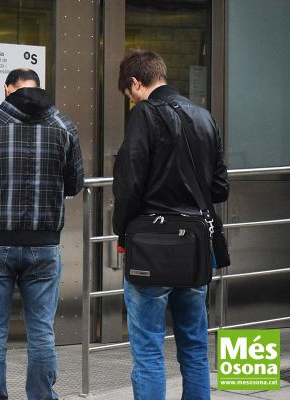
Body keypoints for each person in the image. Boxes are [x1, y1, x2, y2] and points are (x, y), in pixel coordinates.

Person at [0, 68, 84, 400]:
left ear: (8, 89)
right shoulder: (63, 125)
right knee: (42, 332)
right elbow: (74, 185)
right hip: (44, 244)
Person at [113, 50, 229, 399]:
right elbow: (220, 187)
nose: (132, 101)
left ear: (136, 83)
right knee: (194, 347)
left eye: (129, 94)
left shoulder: (145, 114)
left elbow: (130, 183)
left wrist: (123, 231)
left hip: (151, 245)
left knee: (148, 348)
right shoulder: (204, 116)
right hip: (195, 245)